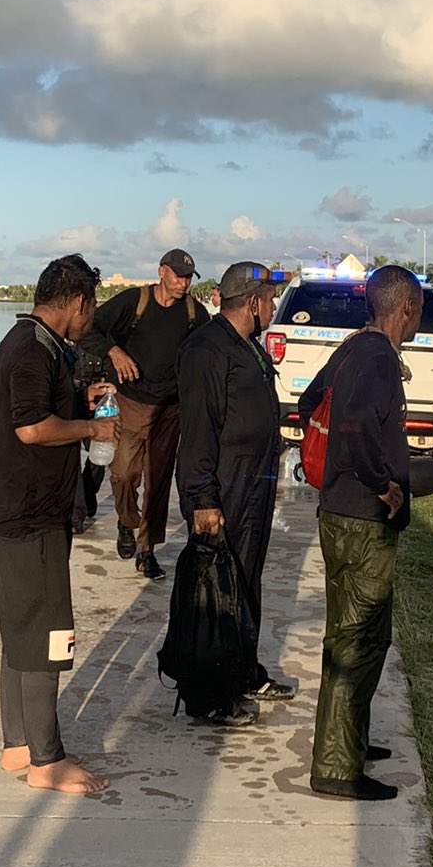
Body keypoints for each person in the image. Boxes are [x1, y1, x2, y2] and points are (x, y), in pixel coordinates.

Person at [0, 253, 120, 796]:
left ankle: (18, 744)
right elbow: (33, 429)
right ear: (80, 302)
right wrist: (92, 426)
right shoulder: (30, 351)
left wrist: (78, 400)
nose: (93, 316)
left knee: (21, 631)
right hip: (31, 515)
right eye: (93, 305)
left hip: (21, 511)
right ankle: (46, 759)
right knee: (47, 635)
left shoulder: (40, 345)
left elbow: (42, 410)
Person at [296, 264, 421, 801]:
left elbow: (307, 405)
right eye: (415, 309)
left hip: (342, 512)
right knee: (355, 638)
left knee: (368, 636)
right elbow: (352, 427)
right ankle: (336, 768)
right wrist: (381, 484)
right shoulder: (375, 359)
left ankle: (352, 740)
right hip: (360, 521)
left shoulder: (352, 349)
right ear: (405, 309)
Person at [173, 261, 295, 726]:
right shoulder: (207, 348)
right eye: (270, 299)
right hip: (222, 487)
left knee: (246, 581)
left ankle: (244, 671)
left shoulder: (249, 345)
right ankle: (209, 695)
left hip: (254, 483)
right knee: (217, 594)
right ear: (252, 302)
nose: (273, 307)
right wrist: (202, 498)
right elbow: (199, 429)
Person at [81, 248, 208, 580]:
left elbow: (209, 352)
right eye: (178, 275)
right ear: (161, 271)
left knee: (157, 483)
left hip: (170, 408)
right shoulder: (132, 303)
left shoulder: (195, 312)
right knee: (123, 473)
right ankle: (127, 520)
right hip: (130, 402)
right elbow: (87, 329)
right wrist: (114, 351)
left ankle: (147, 549)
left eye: (188, 278)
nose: (183, 283)